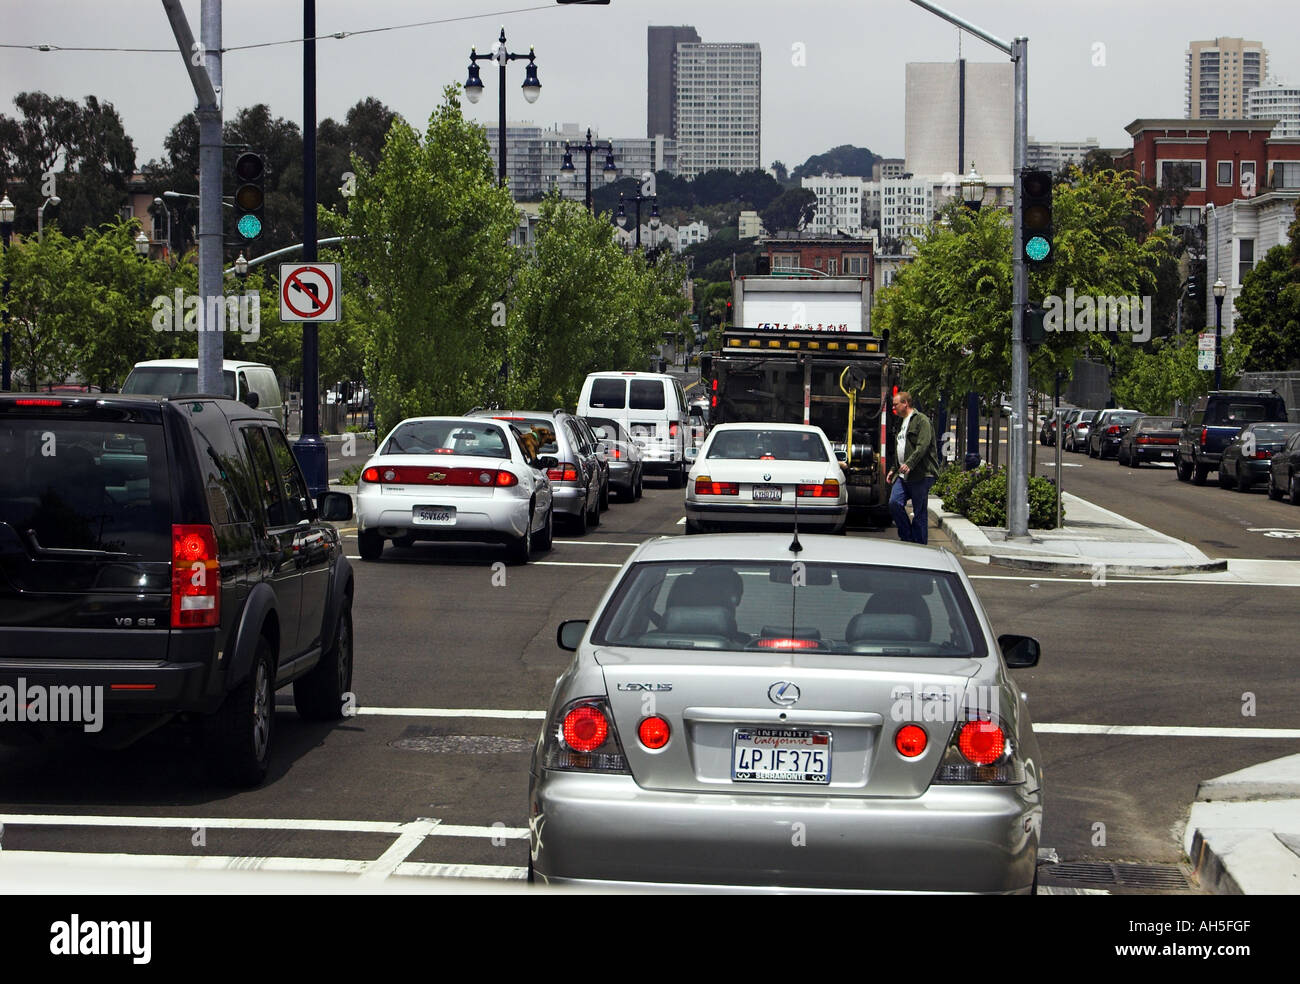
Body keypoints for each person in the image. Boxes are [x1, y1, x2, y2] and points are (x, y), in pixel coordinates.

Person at [886, 391, 940, 544]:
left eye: (896, 404)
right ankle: (907, 537)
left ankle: (919, 545)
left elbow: (923, 446)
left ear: (906, 404)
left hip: (921, 474)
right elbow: (900, 448)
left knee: (919, 513)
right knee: (894, 503)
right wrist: (893, 469)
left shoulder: (922, 420)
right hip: (903, 475)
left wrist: (910, 463)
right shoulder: (901, 423)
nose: (894, 408)